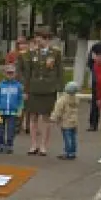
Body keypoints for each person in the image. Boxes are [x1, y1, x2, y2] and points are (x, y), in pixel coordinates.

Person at [19, 26, 64, 156]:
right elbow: (27, 72)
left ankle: (43, 145)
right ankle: (33, 144)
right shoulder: (31, 53)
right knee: (32, 117)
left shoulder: (55, 53)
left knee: (46, 118)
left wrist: (60, 89)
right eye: (36, 38)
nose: (37, 40)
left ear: (47, 39)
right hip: (34, 88)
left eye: (39, 38)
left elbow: (60, 72)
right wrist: (25, 89)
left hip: (48, 89)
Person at [0, 64, 24, 154]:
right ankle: (0, 145)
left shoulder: (18, 86)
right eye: (8, 73)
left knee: (11, 129)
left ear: (15, 74)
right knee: (0, 129)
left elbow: (20, 99)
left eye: (12, 73)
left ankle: (9, 145)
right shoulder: (0, 86)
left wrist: (20, 109)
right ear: (4, 73)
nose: (10, 75)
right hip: (0, 111)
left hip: (13, 112)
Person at [50, 82, 80, 160]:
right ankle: (73, 152)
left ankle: (67, 152)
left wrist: (53, 118)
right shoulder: (76, 99)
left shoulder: (62, 99)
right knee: (73, 137)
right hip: (74, 121)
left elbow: (58, 110)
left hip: (65, 121)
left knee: (67, 138)